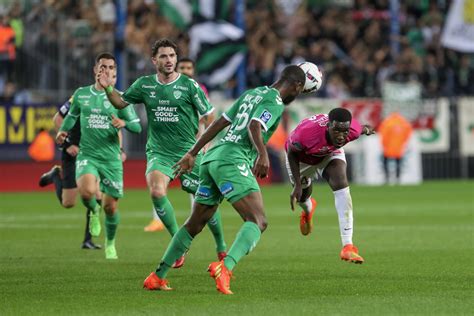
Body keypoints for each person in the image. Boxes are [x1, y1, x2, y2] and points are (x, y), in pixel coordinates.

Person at [142, 65, 306, 295]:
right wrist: (262, 153)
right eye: (302, 89)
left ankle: (157, 276)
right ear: (297, 86)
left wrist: (193, 153)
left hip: (212, 158)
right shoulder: (275, 101)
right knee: (258, 220)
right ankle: (225, 268)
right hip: (233, 160)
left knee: (195, 223)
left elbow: (219, 123)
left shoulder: (251, 93)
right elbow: (255, 125)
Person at [97, 39, 227, 267]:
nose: (169, 60)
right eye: (164, 56)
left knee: (206, 201)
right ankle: (179, 244)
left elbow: (209, 115)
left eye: (172, 56)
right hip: (159, 152)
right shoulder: (144, 85)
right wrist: (108, 88)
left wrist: (203, 141)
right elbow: (119, 102)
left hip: (188, 153)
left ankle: (221, 246)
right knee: (157, 192)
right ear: (154, 60)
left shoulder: (189, 86)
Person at [56, 52, 142, 259]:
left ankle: (110, 242)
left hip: (111, 158)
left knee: (111, 207)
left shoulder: (120, 99)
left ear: (115, 72)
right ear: (95, 70)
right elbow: (72, 116)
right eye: (102, 67)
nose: (106, 70)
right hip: (88, 154)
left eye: (111, 67)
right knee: (86, 192)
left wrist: (124, 124)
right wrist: (62, 132)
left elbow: (137, 127)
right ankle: (93, 211)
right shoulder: (81, 94)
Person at [286, 108, 375, 264]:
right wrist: (298, 184)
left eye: (345, 131)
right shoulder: (306, 134)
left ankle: (348, 246)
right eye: (337, 131)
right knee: (303, 199)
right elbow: (292, 152)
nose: (341, 136)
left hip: (329, 155)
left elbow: (362, 128)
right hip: (302, 160)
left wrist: (367, 129)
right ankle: (308, 209)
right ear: (328, 125)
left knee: (341, 183)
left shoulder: (351, 130)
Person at [143, 57, 208, 233]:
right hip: (167, 145)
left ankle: (197, 218)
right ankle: (157, 220)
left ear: (193, 71)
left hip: (193, 143)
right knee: (159, 184)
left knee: (195, 186)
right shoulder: (166, 87)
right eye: (183, 67)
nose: (186, 70)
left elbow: (207, 117)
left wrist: (203, 141)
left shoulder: (198, 89)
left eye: (189, 67)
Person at [378, 112, 413, 184]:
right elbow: (408, 133)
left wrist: (384, 145)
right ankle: (398, 177)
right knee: (398, 162)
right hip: (399, 147)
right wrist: (403, 142)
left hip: (388, 147)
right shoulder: (403, 123)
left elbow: (383, 135)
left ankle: (387, 177)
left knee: (385, 162)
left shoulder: (387, 123)